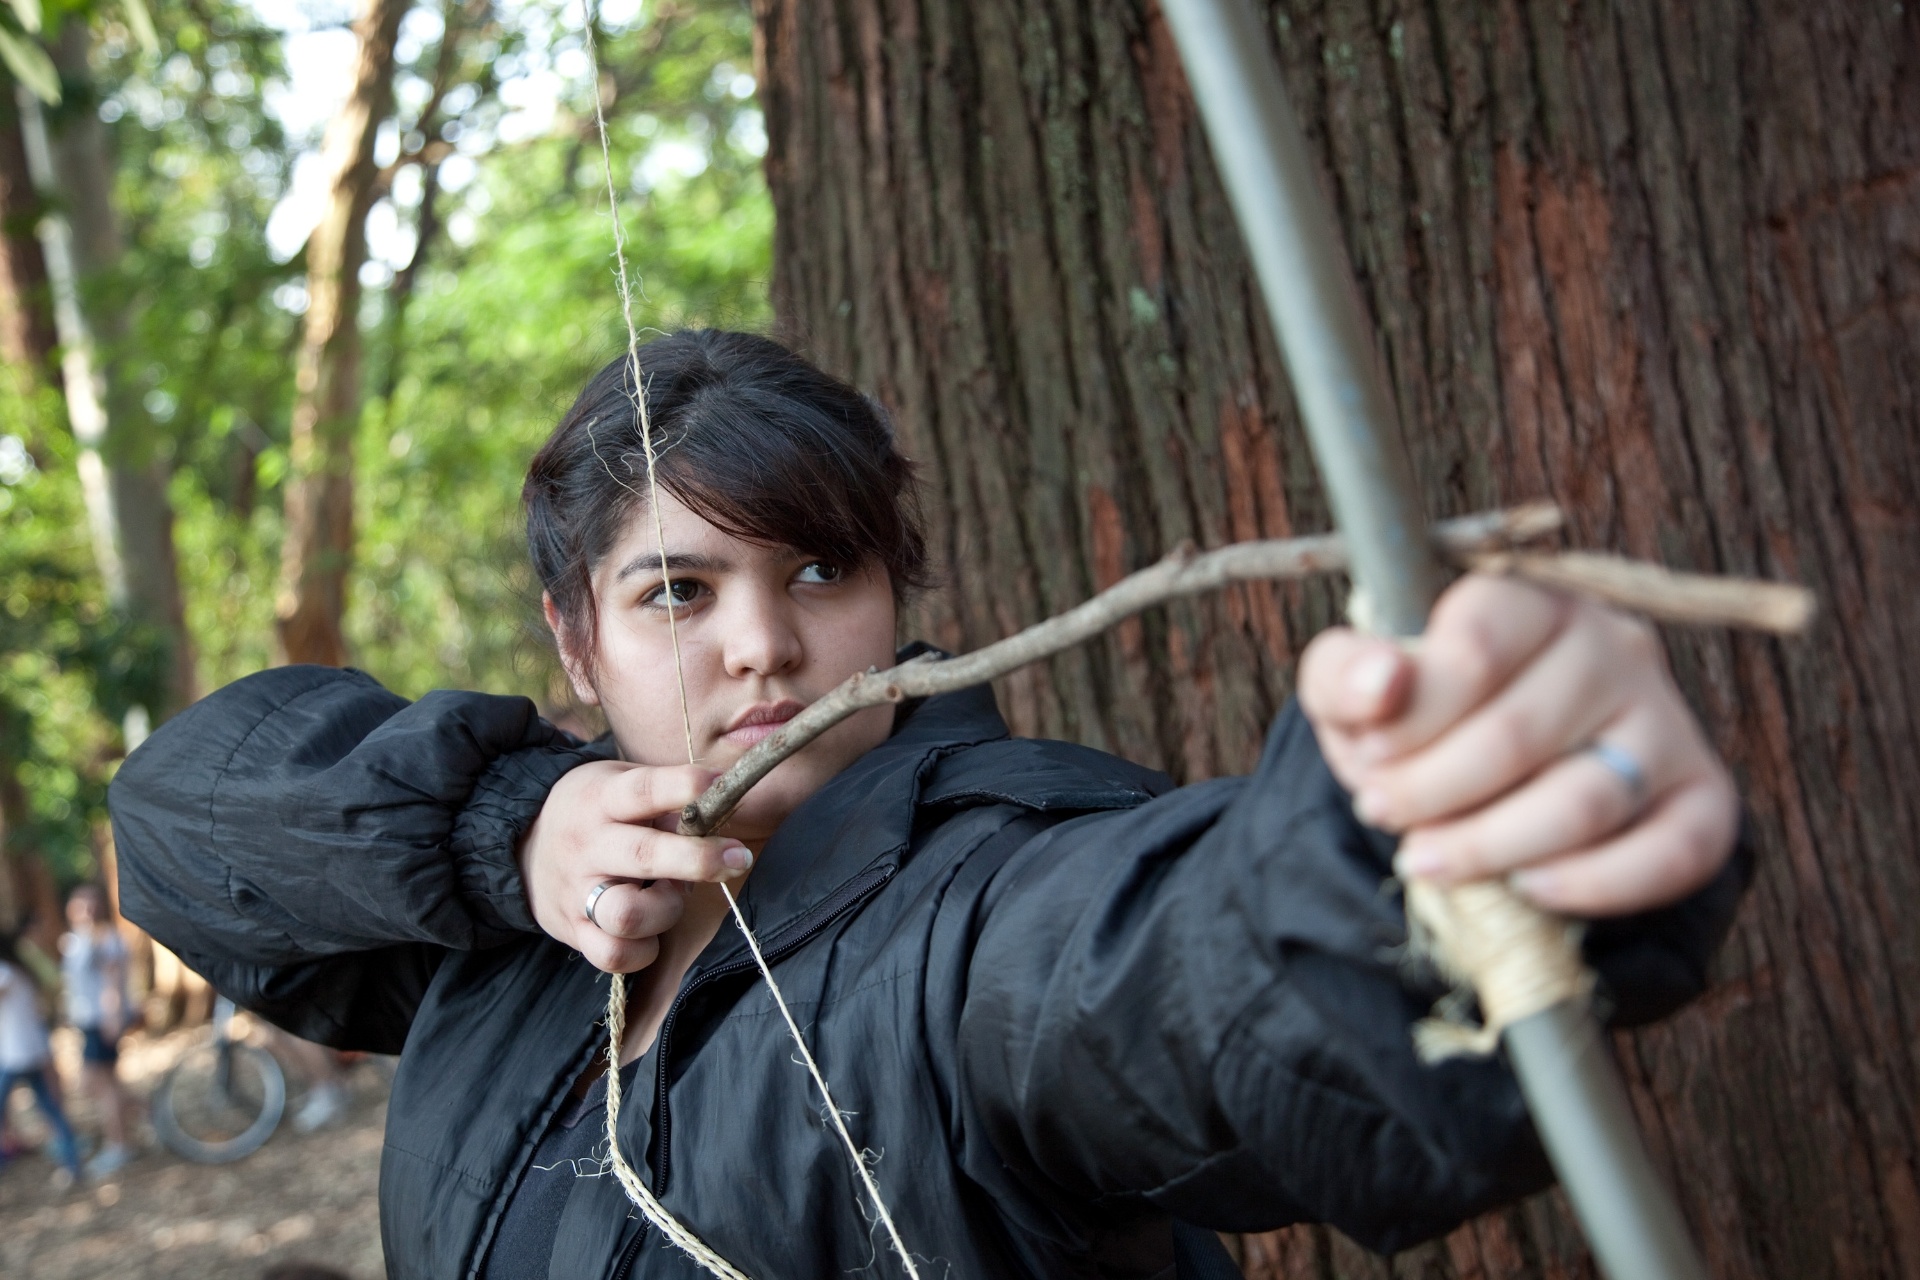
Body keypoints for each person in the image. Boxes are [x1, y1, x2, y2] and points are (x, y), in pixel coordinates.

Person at [109, 331, 1748, 1279]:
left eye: (822, 570)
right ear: (572, 635)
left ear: (899, 597)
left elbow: (1171, 971)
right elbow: (177, 823)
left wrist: (1433, 853)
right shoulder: (504, 918)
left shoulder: (986, 886)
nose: (764, 643)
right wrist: (504, 832)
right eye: (678, 590)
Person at [0, 929, 84, 1187]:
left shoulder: (5, 973)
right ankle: (72, 1161)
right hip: (31, 1050)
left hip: (17, 1055)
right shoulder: (21, 970)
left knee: (50, 1108)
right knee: (52, 1109)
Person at [61, 883, 134, 1178]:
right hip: (86, 1021)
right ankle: (151, 1115)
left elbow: (112, 982)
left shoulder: (107, 940)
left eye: (91, 904)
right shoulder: (75, 942)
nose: (86, 910)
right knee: (102, 1084)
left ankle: (118, 1144)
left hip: (101, 1022)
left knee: (101, 1085)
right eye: (81, 904)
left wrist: (113, 1017)